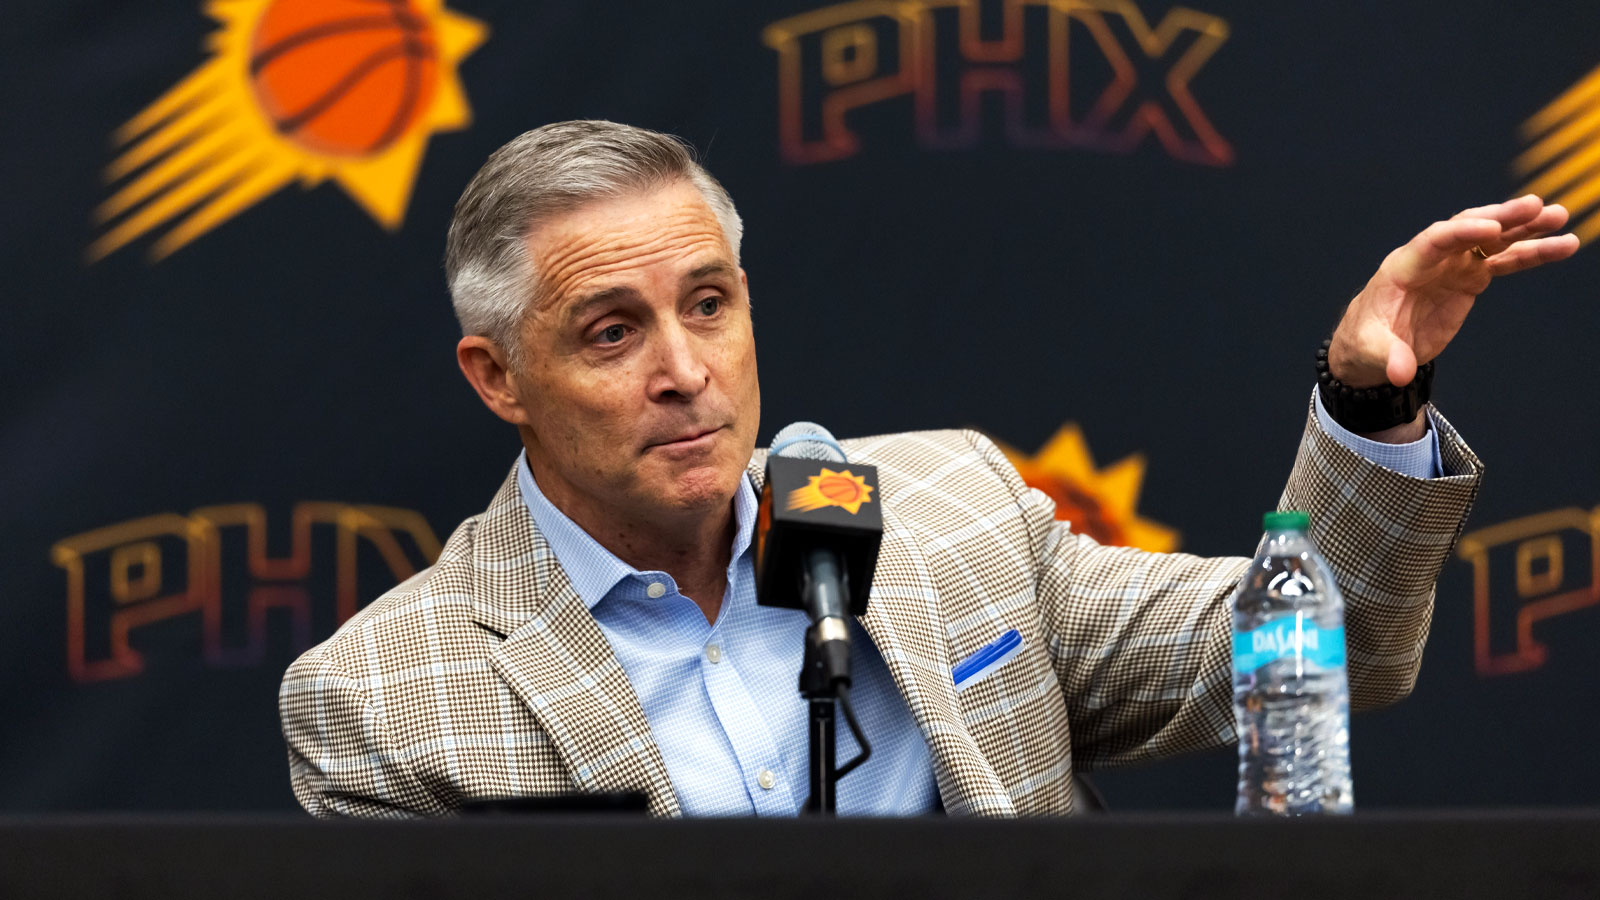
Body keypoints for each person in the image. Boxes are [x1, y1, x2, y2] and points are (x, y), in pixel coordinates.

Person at [279, 120, 1576, 817]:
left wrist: (1369, 403)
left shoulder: (938, 513)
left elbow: (1314, 649)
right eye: (611, 332)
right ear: (496, 377)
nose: (685, 370)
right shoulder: (388, 703)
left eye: (711, 304)